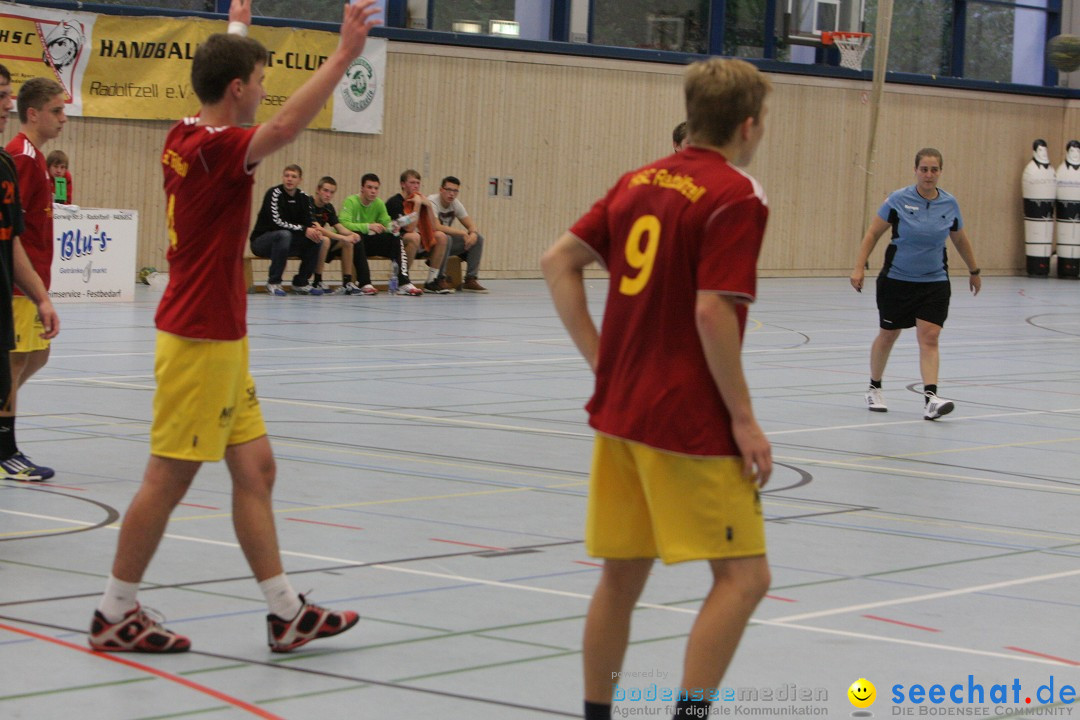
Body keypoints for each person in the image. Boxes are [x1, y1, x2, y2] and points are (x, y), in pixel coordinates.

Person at [89, 0, 379, 654]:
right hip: (199, 338)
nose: (267, 90)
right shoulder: (218, 150)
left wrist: (237, 29)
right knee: (168, 479)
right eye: (259, 79)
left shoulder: (186, 129)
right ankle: (114, 612)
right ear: (238, 89)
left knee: (258, 469)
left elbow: (229, 80)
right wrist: (341, 57)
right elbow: (280, 127)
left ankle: (286, 613)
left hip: (221, 338)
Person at [541, 58, 773, 720]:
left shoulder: (637, 180)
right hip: (685, 421)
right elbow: (712, 312)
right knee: (745, 577)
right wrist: (745, 419)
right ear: (749, 125)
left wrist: (603, 359)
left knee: (620, 579)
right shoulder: (736, 195)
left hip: (620, 414)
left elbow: (557, 261)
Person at [850, 147, 982, 420]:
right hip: (897, 281)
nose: (929, 174)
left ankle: (930, 399)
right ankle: (874, 387)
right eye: (924, 169)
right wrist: (859, 266)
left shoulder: (949, 204)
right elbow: (873, 233)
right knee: (889, 334)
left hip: (934, 282)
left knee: (930, 336)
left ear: (940, 172)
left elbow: (959, 239)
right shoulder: (897, 200)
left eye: (934, 170)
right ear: (916, 170)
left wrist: (974, 269)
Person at [2, 76, 66, 481]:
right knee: (15, 360)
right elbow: (12, 232)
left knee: (37, 355)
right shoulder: (19, 157)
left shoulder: (35, 156)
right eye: (57, 111)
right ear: (33, 113)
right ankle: (6, 449)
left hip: (33, 279)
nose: (63, 119)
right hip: (16, 284)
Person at [338, 172, 422, 296]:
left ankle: (403, 282)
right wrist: (368, 226)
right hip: (351, 242)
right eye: (369, 187)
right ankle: (365, 283)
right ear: (362, 188)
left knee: (396, 238)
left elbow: (387, 223)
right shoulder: (351, 201)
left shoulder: (379, 203)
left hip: (369, 243)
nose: (373, 191)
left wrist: (393, 227)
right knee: (357, 236)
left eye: (376, 188)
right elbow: (343, 224)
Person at [249, 164, 323, 296]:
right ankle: (273, 282)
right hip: (262, 242)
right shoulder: (274, 194)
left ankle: (301, 282)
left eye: (293, 176)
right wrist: (304, 229)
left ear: (300, 180)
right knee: (284, 235)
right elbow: (277, 222)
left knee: (317, 239)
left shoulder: (304, 198)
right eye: (287, 176)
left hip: (286, 243)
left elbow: (309, 221)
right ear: (283, 177)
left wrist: (314, 231)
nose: (289, 179)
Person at [385, 169, 450, 293]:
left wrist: (429, 206)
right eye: (412, 182)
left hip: (417, 238)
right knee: (414, 236)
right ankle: (403, 279)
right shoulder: (395, 202)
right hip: (395, 239)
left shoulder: (419, 199)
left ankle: (431, 281)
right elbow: (408, 228)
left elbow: (434, 226)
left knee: (441, 236)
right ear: (403, 184)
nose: (416, 186)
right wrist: (418, 205)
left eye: (418, 183)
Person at [308, 175, 367, 295]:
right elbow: (318, 228)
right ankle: (317, 281)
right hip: (307, 242)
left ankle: (347, 283)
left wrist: (352, 234)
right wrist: (343, 237)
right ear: (318, 190)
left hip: (320, 242)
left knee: (348, 242)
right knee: (325, 240)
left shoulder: (328, 208)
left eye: (331, 192)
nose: (328, 195)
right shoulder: (308, 203)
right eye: (325, 191)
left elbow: (339, 227)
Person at [428, 176, 489, 293]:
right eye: (448, 190)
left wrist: (474, 233)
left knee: (478, 239)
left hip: (446, 243)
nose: (452, 194)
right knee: (446, 238)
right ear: (441, 190)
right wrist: (462, 232)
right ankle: (440, 278)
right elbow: (436, 227)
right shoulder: (432, 202)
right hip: (429, 243)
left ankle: (470, 279)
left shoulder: (455, 204)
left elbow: (471, 224)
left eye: (455, 191)